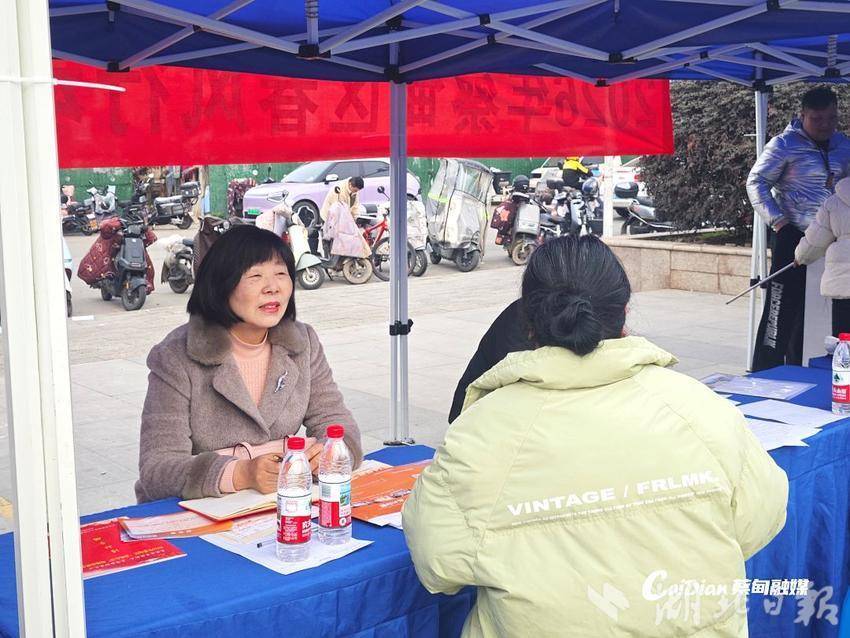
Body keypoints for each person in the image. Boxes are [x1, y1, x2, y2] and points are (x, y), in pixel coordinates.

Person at [403, 235, 788, 637]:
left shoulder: (480, 432)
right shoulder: (700, 408)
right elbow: (760, 520)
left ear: (527, 322)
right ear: (624, 313)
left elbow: (438, 564)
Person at [136, 224, 362, 502]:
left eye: (281, 274)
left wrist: (330, 452)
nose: (273, 288)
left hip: (281, 502)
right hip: (198, 509)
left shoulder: (302, 342)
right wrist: (240, 473)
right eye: (255, 276)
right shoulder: (176, 356)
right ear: (221, 285)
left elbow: (335, 420)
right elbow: (158, 468)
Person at [748, 86, 850, 370]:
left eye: (831, 118)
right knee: (781, 309)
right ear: (802, 115)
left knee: (826, 309)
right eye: (817, 119)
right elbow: (756, 183)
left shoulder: (844, 145)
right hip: (792, 235)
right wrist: (778, 222)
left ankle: (811, 367)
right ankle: (765, 370)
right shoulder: (784, 144)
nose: (825, 125)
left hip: (832, 242)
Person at [795, 176, 850, 336]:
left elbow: (815, 240)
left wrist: (800, 257)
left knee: (844, 340)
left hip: (844, 283)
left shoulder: (834, 202)